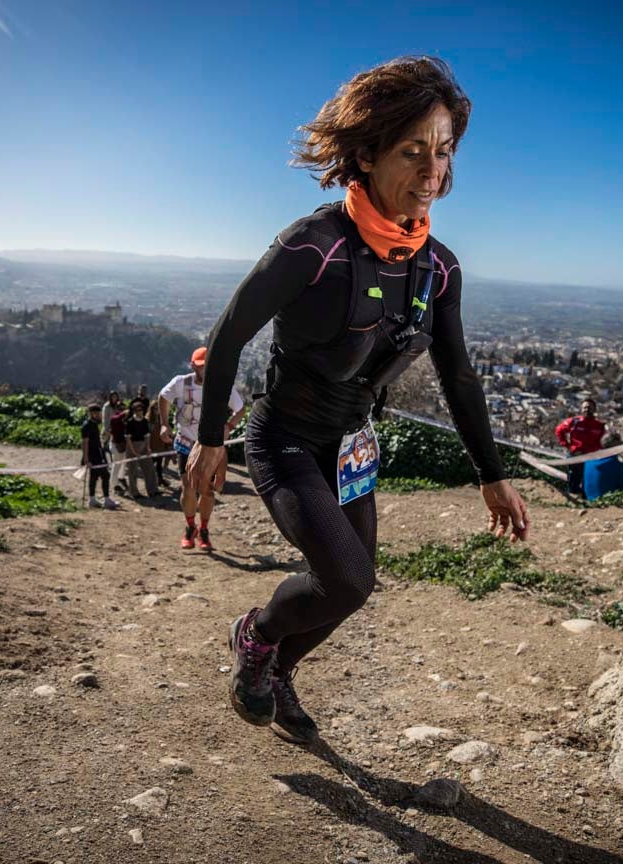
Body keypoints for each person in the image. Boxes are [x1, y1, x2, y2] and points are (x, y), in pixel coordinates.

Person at [187, 56, 530, 744]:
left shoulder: (439, 268)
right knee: (344, 580)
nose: (433, 170)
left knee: (352, 586)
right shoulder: (313, 246)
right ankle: (253, 636)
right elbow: (227, 336)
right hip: (282, 439)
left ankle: (275, 670)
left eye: (444, 150)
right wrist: (209, 439)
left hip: (350, 448)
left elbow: (458, 376)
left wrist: (491, 474)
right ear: (367, 155)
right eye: (413, 151)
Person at [159, 347, 245, 550]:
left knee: (206, 491)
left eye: (208, 366)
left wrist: (229, 426)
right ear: (193, 366)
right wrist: (164, 423)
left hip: (210, 447)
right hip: (186, 443)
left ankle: (204, 529)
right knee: (188, 487)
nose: (205, 370)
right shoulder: (181, 383)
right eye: (201, 366)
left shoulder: (222, 387)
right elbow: (163, 397)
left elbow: (240, 409)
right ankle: (190, 527)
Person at [555, 397, 606, 495]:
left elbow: (601, 442)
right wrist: (565, 444)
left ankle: (587, 502)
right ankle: (573, 501)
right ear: (581, 409)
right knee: (573, 481)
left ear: (594, 409)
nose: (587, 409)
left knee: (589, 481)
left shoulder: (599, 426)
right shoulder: (574, 422)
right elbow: (559, 430)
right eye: (585, 407)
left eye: (589, 407)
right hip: (576, 456)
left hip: (591, 458)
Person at [80, 403, 118, 510]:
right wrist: (86, 458)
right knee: (105, 475)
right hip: (93, 456)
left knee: (94, 477)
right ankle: (106, 499)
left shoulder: (94, 424)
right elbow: (85, 442)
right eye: (95, 412)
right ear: (91, 413)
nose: (97, 414)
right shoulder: (86, 425)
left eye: (98, 412)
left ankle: (92, 499)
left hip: (98, 453)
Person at [123, 401, 158, 498]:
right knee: (132, 471)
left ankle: (153, 490)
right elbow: (128, 439)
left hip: (143, 445)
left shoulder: (145, 421)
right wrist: (134, 452)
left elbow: (147, 436)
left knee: (149, 468)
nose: (140, 412)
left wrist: (147, 448)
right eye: (137, 410)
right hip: (132, 446)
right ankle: (134, 493)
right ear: (134, 411)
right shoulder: (130, 422)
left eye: (141, 410)